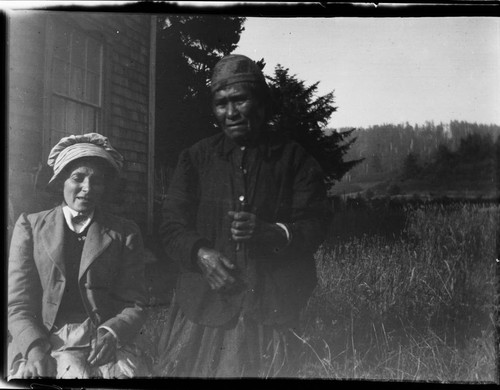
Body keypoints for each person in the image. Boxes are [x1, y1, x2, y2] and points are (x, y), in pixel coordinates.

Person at [156, 54, 332, 377]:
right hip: (202, 309)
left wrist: (273, 233)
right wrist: (200, 254)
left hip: (269, 305)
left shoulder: (294, 159)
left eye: (240, 100)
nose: (231, 112)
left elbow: (316, 225)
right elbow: (171, 227)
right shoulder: (195, 160)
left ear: (262, 105)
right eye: (221, 103)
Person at [8, 133, 148, 379]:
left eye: (97, 181)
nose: (87, 189)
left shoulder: (124, 232)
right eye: (78, 178)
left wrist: (113, 333)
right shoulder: (30, 227)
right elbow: (18, 304)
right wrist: (34, 348)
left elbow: (135, 301)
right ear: (61, 179)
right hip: (46, 338)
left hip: (102, 338)